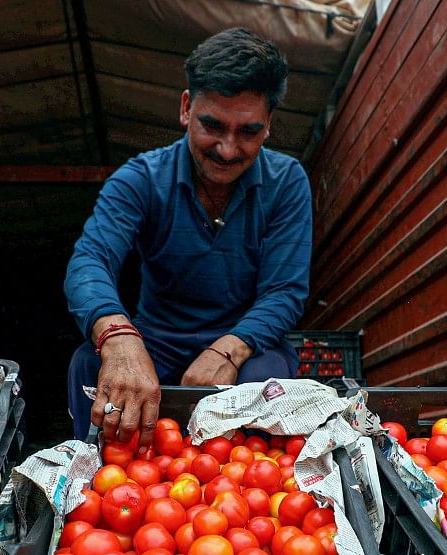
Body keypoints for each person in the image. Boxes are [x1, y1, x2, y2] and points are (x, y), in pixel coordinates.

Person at [65, 27, 312, 449]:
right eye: (212, 126)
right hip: (155, 341)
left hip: (244, 340)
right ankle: (92, 482)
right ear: (185, 109)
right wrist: (120, 338)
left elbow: (284, 291)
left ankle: (256, 496)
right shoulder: (139, 180)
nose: (228, 149)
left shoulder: (287, 182)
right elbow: (90, 261)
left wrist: (228, 351)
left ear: (269, 125)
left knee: (266, 381)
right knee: (91, 363)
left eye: (248, 131)